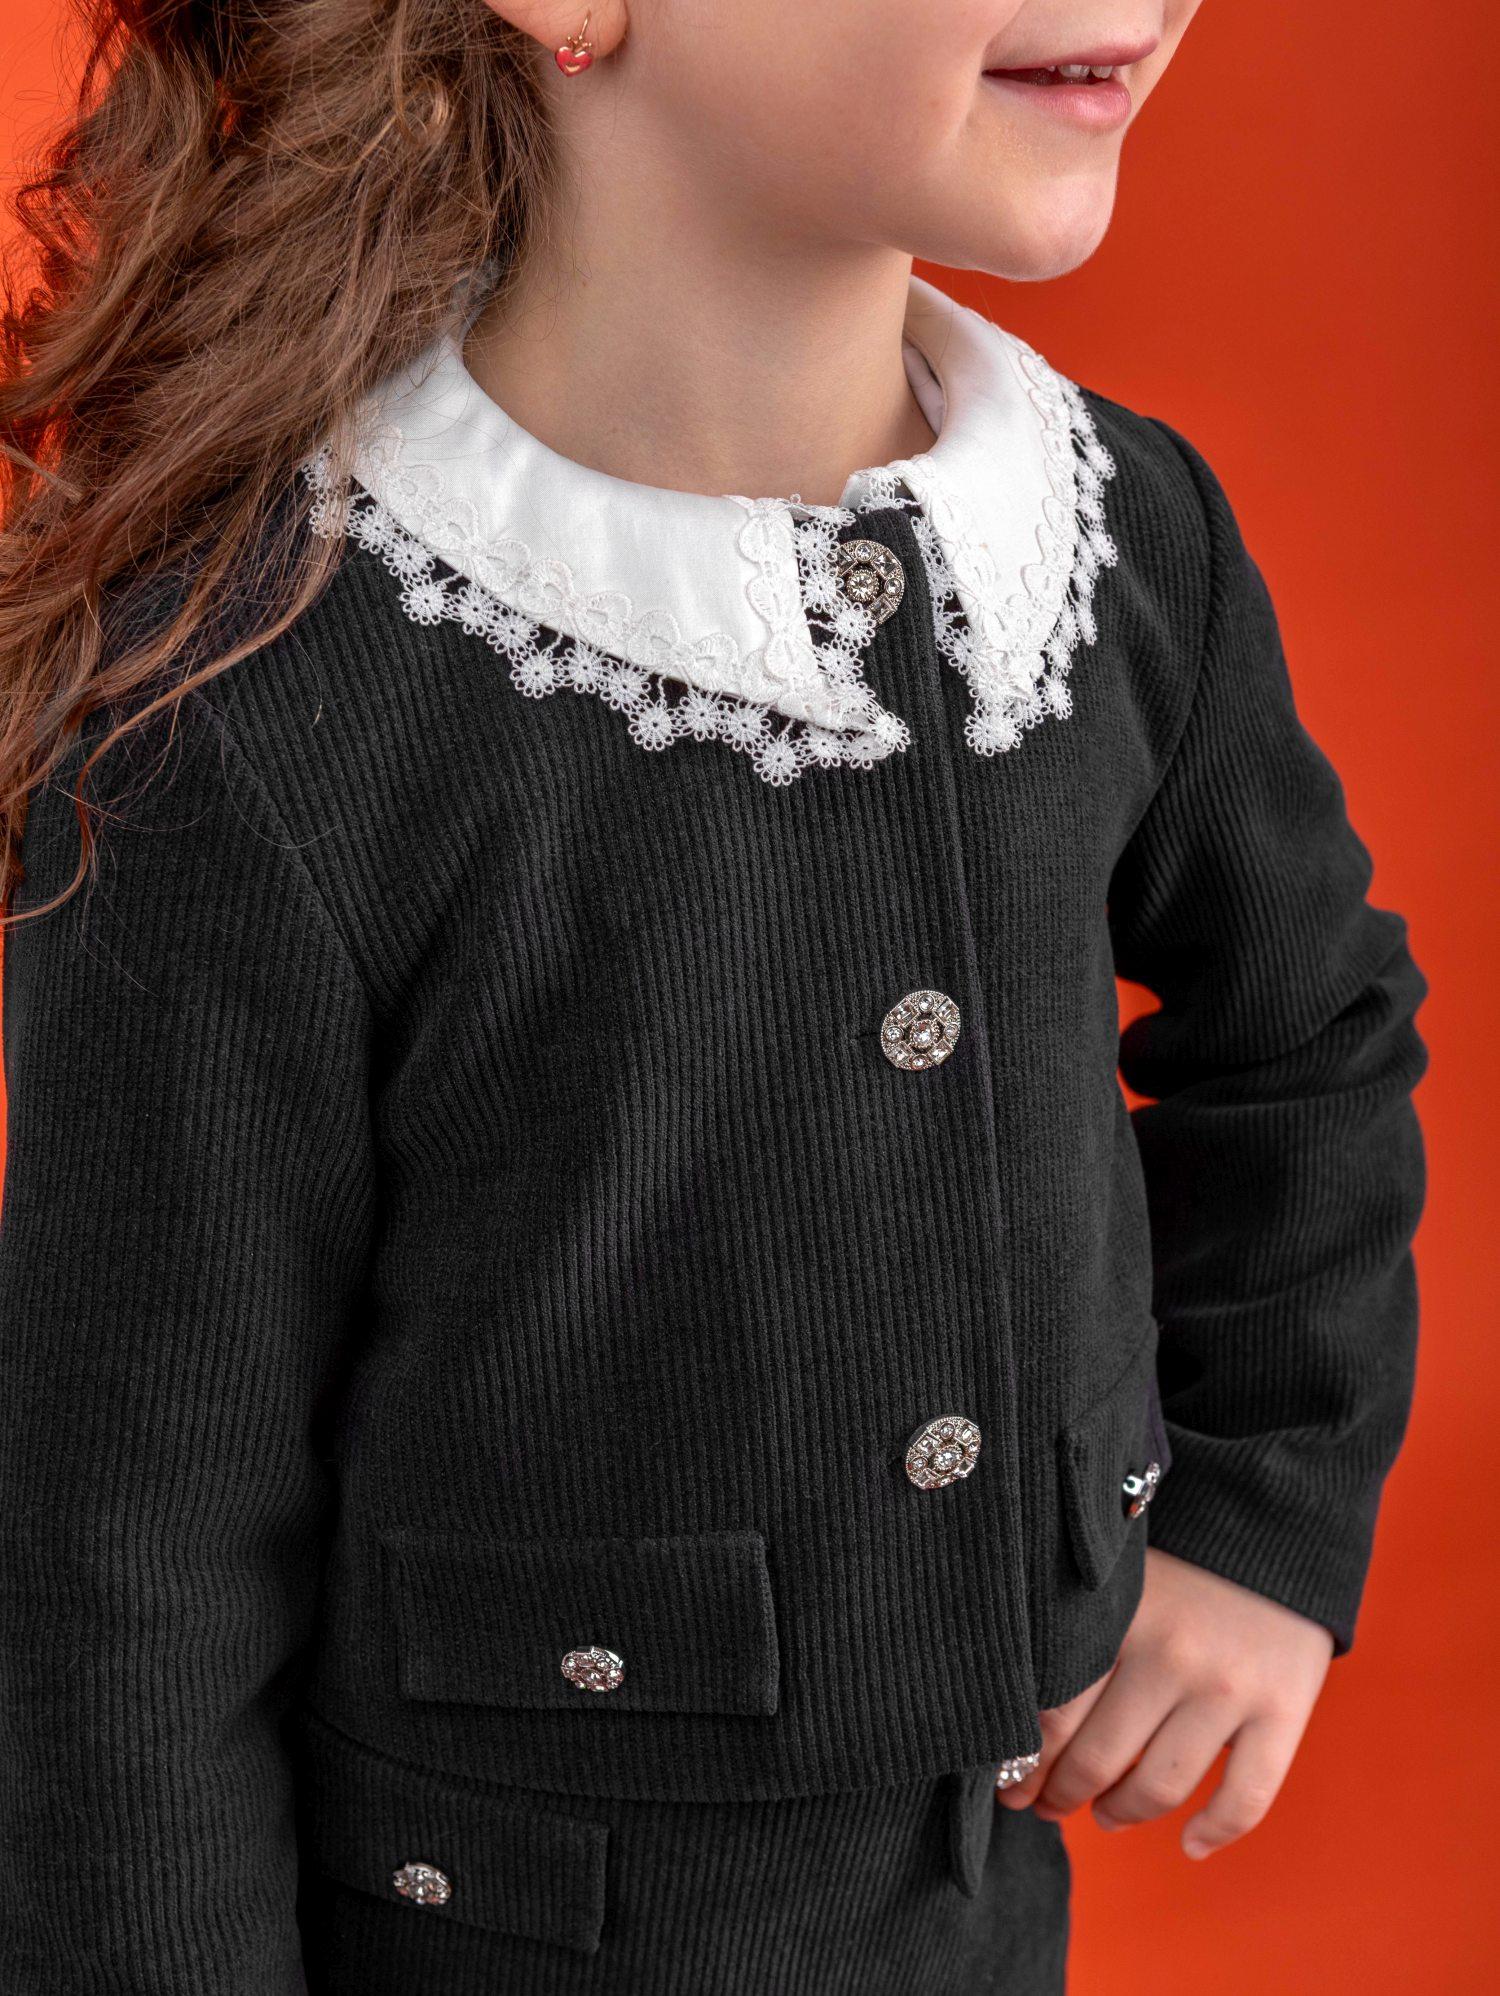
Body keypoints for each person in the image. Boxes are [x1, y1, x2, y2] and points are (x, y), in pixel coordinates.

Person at [0, 3, 1429, 1991]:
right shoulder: (255, 698)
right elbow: (120, 1565)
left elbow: (1308, 1038)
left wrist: (1262, 1510)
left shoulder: (1120, 542)